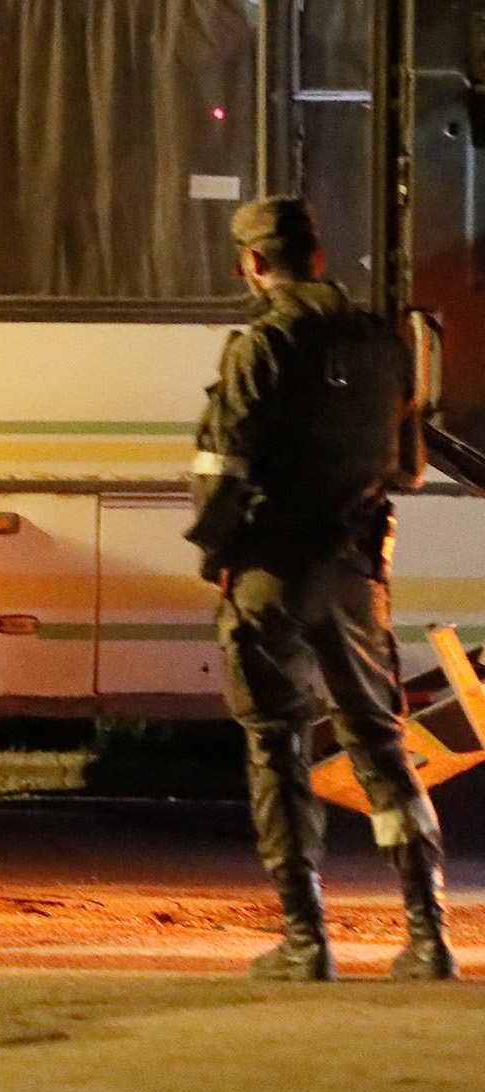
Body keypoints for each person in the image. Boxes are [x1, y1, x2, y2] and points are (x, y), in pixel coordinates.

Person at [187, 196, 456, 982]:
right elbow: (406, 466)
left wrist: (218, 556)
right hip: (352, 573)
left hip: (271, 570)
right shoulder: (384, 343)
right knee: (381, 745)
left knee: (277, 744)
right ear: (319, 256)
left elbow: (221, 474)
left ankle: (306, 939)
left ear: (254, 264)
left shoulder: (260, 346)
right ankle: (428, 933)